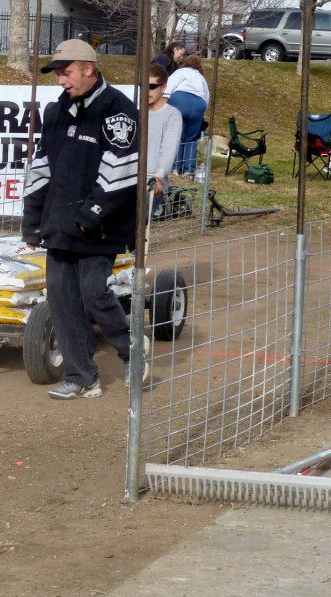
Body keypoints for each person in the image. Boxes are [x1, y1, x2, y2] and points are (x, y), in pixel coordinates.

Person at [22, 39, 144, 400]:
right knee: (61, 300)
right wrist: (32, 220)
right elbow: (41, 167)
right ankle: (81, 376)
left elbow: (121, 171)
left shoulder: (117, 110)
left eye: (66, 72)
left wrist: (91, 214)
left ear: (88, 69)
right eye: (58, 73)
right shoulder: (56, 111)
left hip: (100, 226)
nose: (61, 79)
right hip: (59, 224)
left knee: (93, 292)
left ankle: (130, 347)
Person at [146, 64, 183, 219]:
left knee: (139, 231)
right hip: (129, 181)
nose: (147, 90)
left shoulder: (172, 115)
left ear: (163, 87)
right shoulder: (136, 112)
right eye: (143, 85)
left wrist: (158, 177)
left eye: (152, 86)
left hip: (152, 182)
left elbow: (169, 150)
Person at [165, 54, 209, 176]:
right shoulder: (201, 78)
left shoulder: (181, 72)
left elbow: (169, 87)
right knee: (191, 139)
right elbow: (207, 98)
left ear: (185, 63)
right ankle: (189, 170)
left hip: (180, 101)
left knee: (177, 136)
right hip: (199, 105)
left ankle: (175, 168)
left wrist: (165, 101)